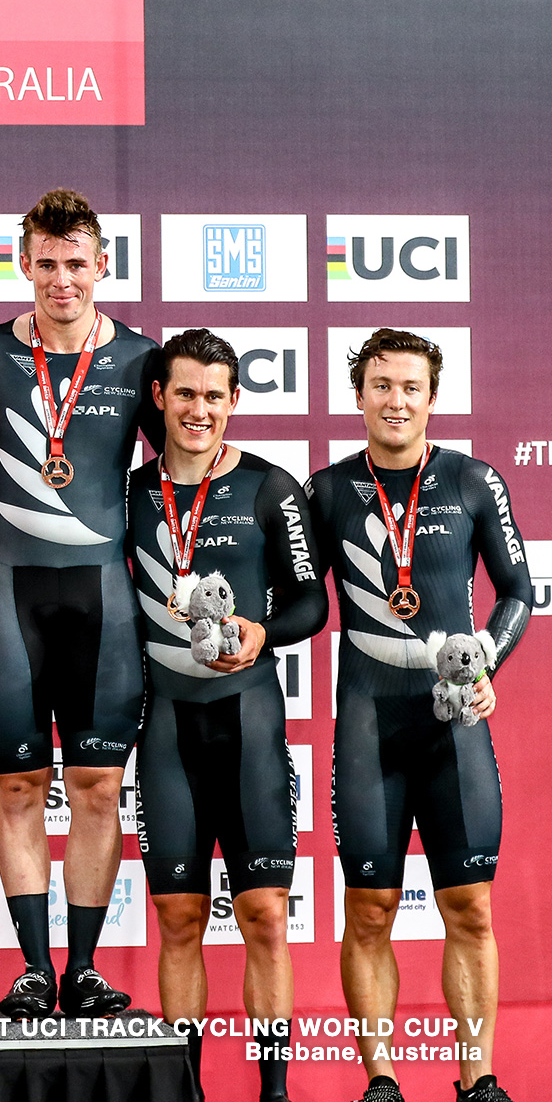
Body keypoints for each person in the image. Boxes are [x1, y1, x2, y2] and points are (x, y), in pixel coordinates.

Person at [0, 189, 163, 1017]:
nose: (62, 280)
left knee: (100, 789)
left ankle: (83, 967)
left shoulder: (143, 358)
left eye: (78, 264)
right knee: (17, 789)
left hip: (107, 597)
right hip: (9, 592)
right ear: (22, 264)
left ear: (102, 264)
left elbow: (181, 469)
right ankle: (35, 968)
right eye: (46, 263)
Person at [308, 329, 530, 1102]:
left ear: (433, 398)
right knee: (369, 911)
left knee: (469, 907)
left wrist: (487, 663)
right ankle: (382, 1082)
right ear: (359, 395)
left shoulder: (474, 481)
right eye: (380, 385)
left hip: (454, 722)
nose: (395, 399)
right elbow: (299, 600)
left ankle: (478, 1079)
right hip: (368, 725)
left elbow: (519, 593)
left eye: (410, 386)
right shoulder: (328, 491)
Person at [125, 329, 326, 1100]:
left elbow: (313, 600)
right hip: (167, 730)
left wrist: (262, 632)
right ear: (161, 399)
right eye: (185, 394)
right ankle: (187, 1091)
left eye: (214, 396)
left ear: (233, 401)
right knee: (178, 920)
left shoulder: (272, 487)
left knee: (266, 917)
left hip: (249, 724)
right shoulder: (133, 492)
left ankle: (274, 1093)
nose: (199, 410)